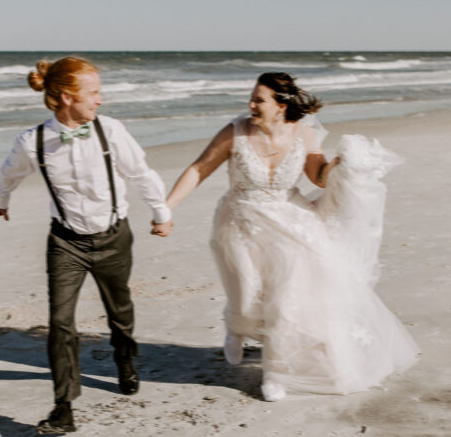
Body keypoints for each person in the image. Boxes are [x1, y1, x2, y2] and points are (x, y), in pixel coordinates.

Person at [165, 72, 418, 401]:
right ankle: (236, 325)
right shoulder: (236, 132)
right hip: (241, 220)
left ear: (281, 105)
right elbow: (200, 168)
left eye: (259, 100)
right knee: (245, 293)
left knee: (286, 299)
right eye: (252, 98)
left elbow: (319, 177)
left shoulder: (305, 135)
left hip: (290, 219)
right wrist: (166, 208)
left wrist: (341, 166)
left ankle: (276, 372)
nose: (251, 104)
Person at [0, 56, 173, 434]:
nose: (100, 100)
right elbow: (11, 171)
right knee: (60, 322)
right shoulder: (33, 141)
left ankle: (125, 360)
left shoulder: (111, 131)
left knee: (119, 312)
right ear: (65, 97)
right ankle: (63, 407)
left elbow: (140, 171)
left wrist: (160, 210)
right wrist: (1, 200)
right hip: (66, 242)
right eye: (93, 93)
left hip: (113, 238)